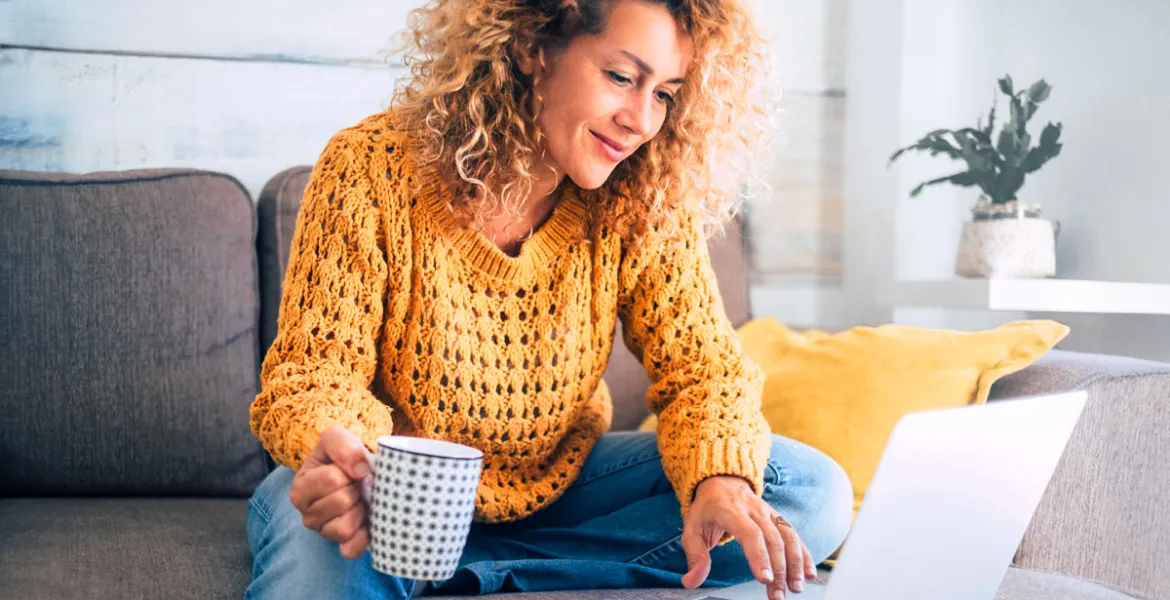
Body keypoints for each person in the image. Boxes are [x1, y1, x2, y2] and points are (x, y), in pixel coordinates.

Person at [244, 0, 853, 598]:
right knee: (321, 533)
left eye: (665, 93)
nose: (641, 120)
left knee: (809, 490)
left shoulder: (640, 197)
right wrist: (351, 468)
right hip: (395, 495)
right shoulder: (369, 169)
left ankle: (455, 571)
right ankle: (427, 559)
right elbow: (315, 375)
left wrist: (718, 479)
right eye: (621, 77)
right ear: (534, 47)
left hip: (560, 491)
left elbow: (705, 369)